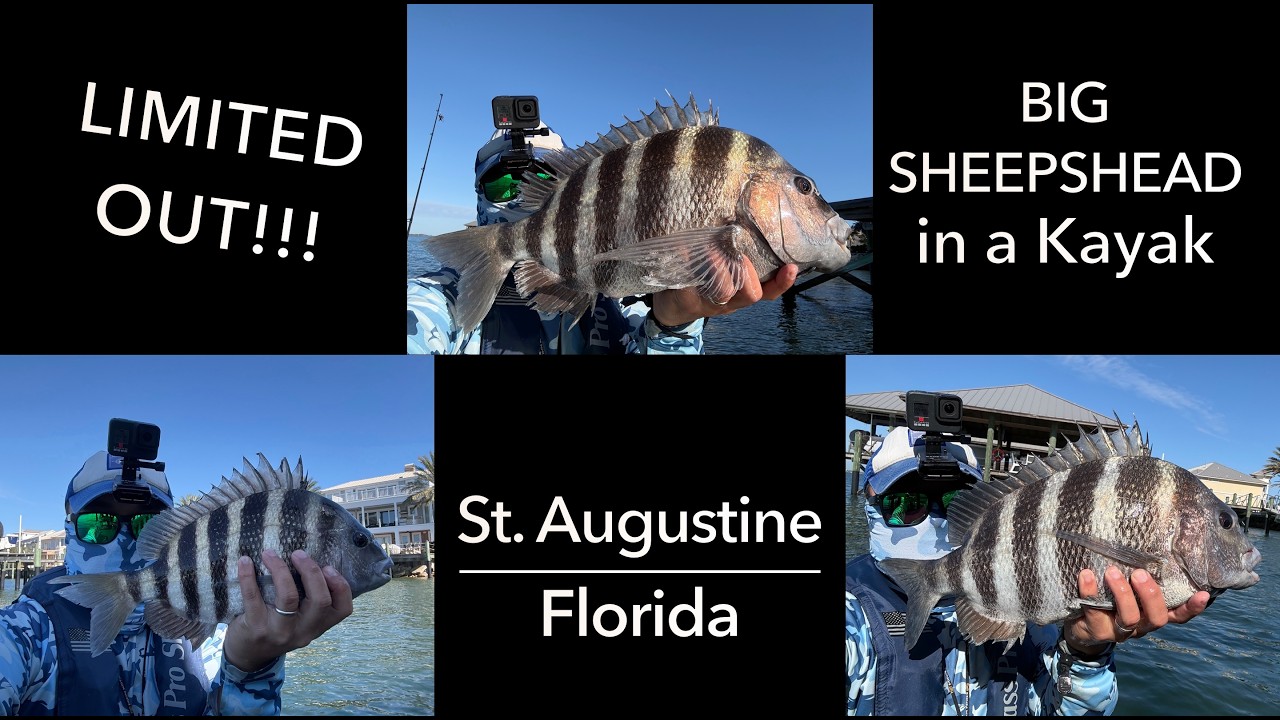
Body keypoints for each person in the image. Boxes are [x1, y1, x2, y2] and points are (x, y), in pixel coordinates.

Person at [845, 426, 1210, 715]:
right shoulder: (852, 617)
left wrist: (1085, 650)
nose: (935, 519)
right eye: (905, 504)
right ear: (871, 507)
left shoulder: (1038, 629)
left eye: (955, 501)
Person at [1, 450, 355, 715]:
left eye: (145, 525)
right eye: (99, 524)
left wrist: (252, 664)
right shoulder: (25, 634)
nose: (125, 539)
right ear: (69, 529)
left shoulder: (214, 639)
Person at [406, 121, 798, 354]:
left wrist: (675, 320)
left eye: (540, 179)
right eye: (502, 182)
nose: (519, 194)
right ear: (477, 193)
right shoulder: (442, 298)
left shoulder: (625, 303)